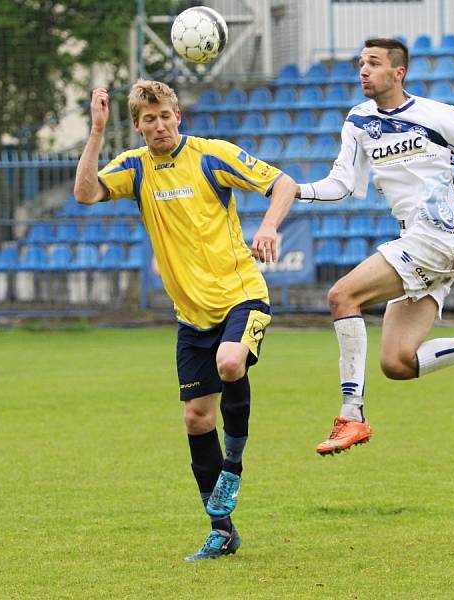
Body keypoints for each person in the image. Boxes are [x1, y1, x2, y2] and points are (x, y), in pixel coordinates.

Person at [295, 38, 454, 456]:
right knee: (397, 363)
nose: (363, 70)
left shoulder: (437, 115)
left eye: (374, 63)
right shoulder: (359, 121)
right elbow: (342, 184)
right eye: (361, 63)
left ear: (398, 73)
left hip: (436, 239)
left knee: (342, 295)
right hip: (415, 241)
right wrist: (297, 190)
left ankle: (352, 415)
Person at [74, 80, 297, 560]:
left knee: (231, 362)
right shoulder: (134, 167)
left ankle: (232, 466)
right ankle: (222, 529)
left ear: (179, 117)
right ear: (137, 125)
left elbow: (284, 184)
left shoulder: (212, 155)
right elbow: (86, 192)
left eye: (165, 116)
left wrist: (269, 224)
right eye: (148, 119)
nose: (159, 125)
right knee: (197, 419)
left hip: (243, 297)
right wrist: (96, 131)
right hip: (191, 317)